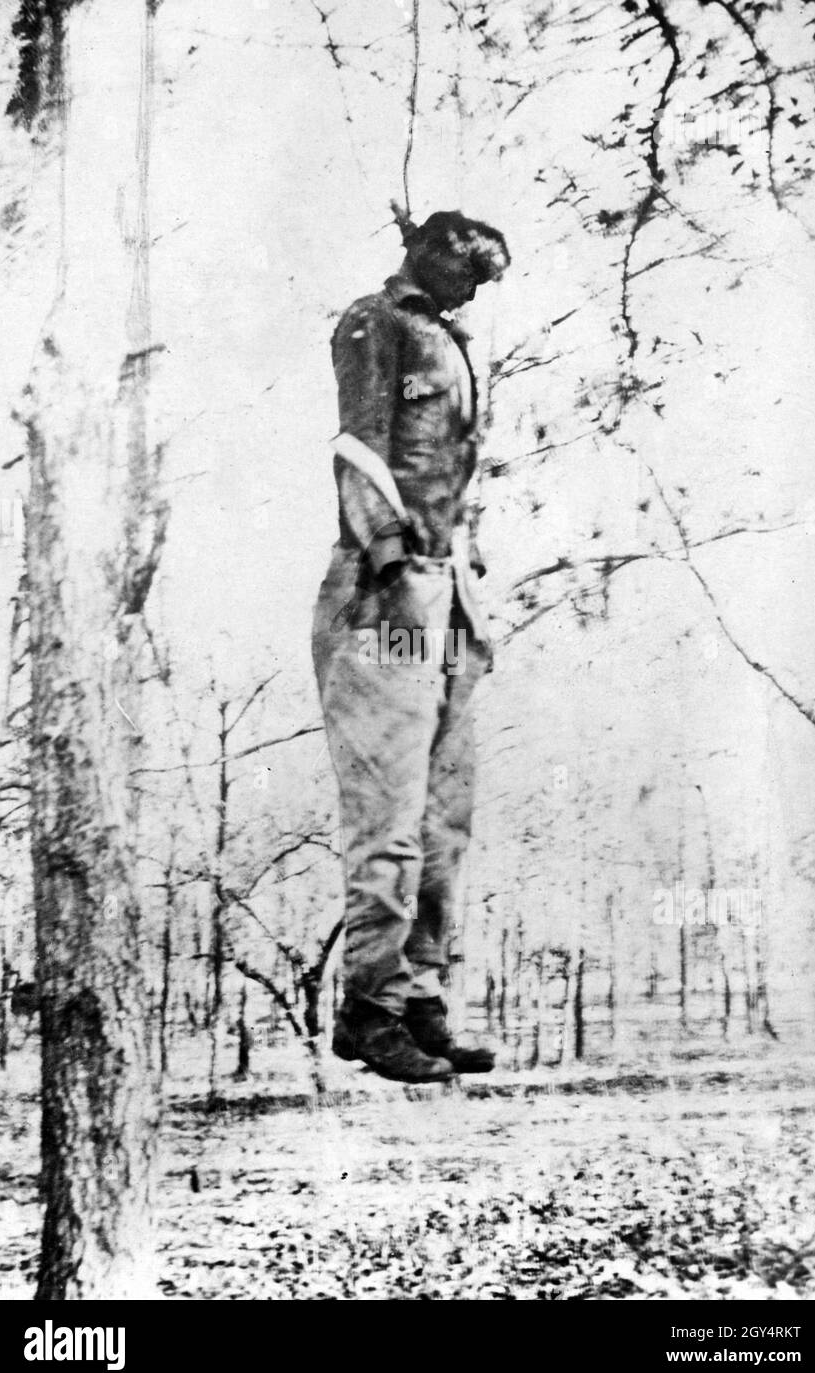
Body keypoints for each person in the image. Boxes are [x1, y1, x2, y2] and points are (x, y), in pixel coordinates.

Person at [312, 209, 510, 1082]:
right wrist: (390, 560)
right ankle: (368, 1008)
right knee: (387, 817)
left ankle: (421, 996)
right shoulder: (373, 323)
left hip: (449, 590)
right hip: (385, 593)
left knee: (442, 818)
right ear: (430, 256)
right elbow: (356, 445)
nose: (478, 291)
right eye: (470, 273)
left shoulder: (451, 340)